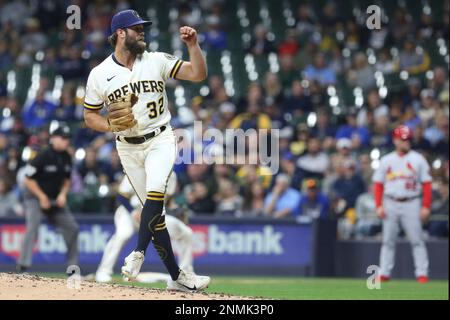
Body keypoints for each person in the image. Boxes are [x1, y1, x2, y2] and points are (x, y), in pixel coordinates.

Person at [82, 9, 209, 292]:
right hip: (127, 147)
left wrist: (193, 46)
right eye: (137, 28)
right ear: (120, 34)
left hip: (160, 139)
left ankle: (138, 252)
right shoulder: (100, 74)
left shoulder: (156, 60)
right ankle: (178, 278)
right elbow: (89, 116)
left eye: (143, 28)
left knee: (155, 196)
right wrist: (109, 125)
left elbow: (198, 74)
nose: (142, 32)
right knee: (156, 216)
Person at [95, 173, 195, 283]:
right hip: (130, 213)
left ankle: (185, 275)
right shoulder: (139, 167)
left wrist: (176, 210)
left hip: (154, 216)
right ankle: (103, 272)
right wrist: (133, 212)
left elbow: (166, 200)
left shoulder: (172, 176)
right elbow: (122, 196)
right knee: (124, 234)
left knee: (186, 233)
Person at [373, 125, 432, 283]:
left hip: (411, 201)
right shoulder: (387, 160)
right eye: (403, 139)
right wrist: (379, 205)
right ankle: (384, 273)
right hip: (390, 201)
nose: (406, 142)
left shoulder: (418, 159)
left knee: (417, 239)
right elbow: (378, 184)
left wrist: (426, 206)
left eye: (408, 139)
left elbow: (427, 184)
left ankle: (422, 273)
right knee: (388, 240)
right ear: (395, 140)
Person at [16, 124, 79, 273]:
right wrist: (41, 196)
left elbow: (67, 180)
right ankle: (22, 266)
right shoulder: (43, 155)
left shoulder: (66, 157)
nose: (66, 141)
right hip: (35, 198)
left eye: (67, 138)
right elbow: (28, 179)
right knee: (32, 228)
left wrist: (63, 194)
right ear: (53, 139)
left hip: (55, 199)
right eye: (63, 138)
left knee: (73, 228)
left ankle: (72, 267)